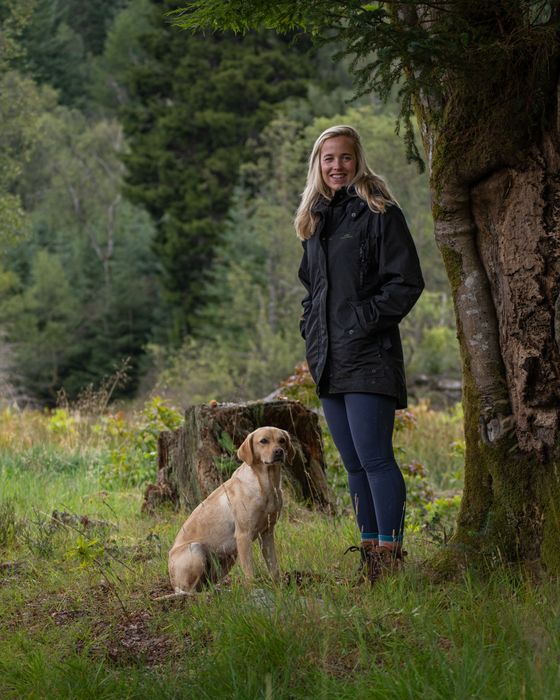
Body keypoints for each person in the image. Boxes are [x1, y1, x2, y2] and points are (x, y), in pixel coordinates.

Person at [296, 125, 424, 583]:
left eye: (345, 157)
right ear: (318, 164)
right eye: (328, 159)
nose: (337, 166)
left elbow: (406, 282)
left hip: (370, 355)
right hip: (329, 360)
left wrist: (360, 322)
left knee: (375, 460)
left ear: (358, 160)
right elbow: (312, 291)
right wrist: (311, 330)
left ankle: (391, 558)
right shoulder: (315, 219)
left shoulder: (380, 212)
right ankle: (370, 557)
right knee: (352, 465)